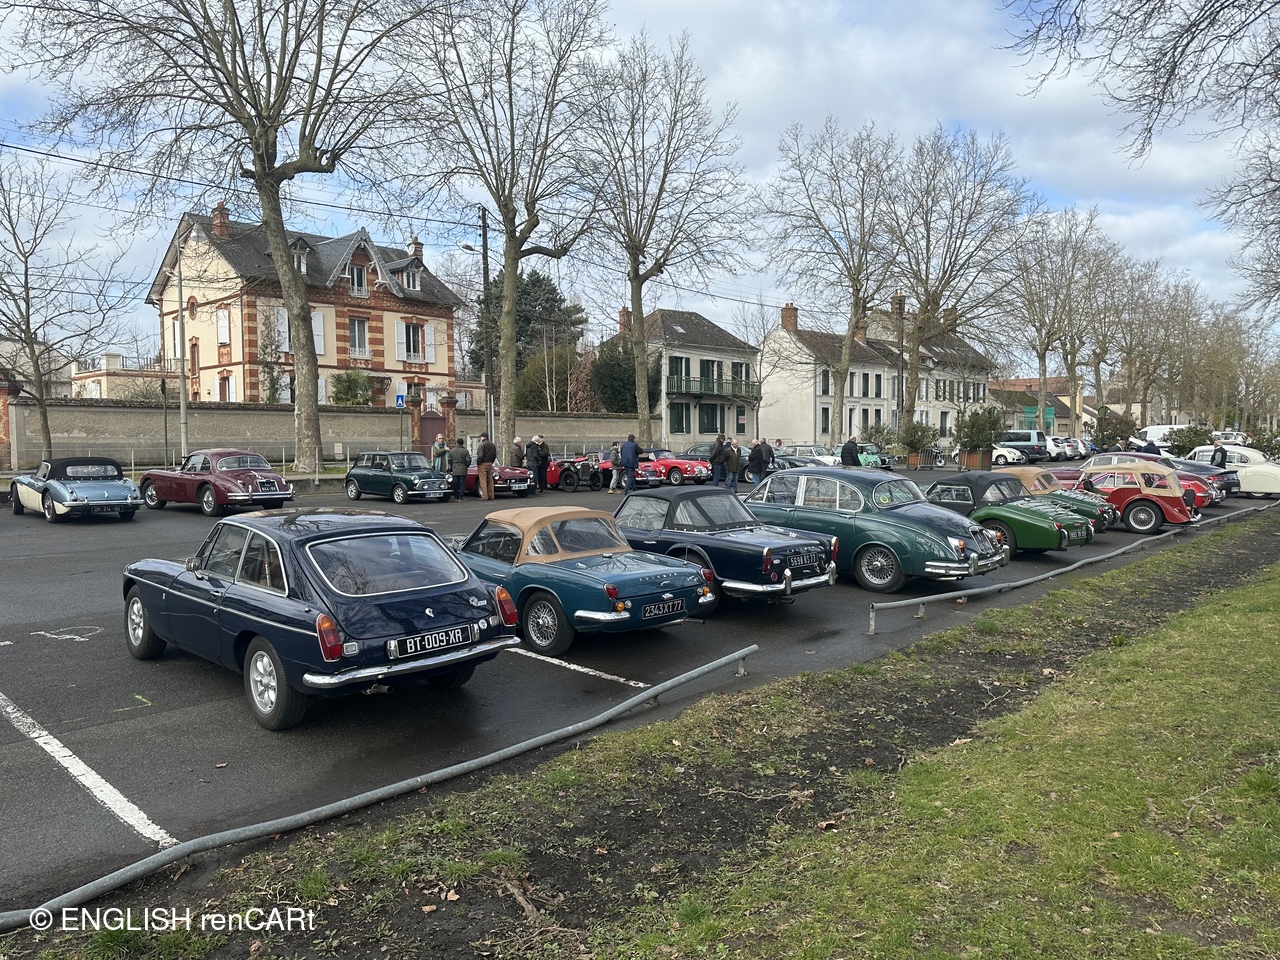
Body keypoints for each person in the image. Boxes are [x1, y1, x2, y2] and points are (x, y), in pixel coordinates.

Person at [475, 431, 497, 500]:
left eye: (481, 437)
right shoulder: (493, 445)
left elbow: (480, 455)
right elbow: (494, 455)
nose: (480, 438)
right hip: (490, 463)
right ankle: (491, 495)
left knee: (483, 480)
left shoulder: (482, 445)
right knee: (490, 480)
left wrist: (478, 462)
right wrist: (491, 462)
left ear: (484, 437)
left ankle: (485, 495)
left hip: (482, 463)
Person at [448, 437, 470, 501]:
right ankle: (461, 497)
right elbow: (468, 461)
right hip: (462, 468)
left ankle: (456, 497)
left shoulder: (452, 451)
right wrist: (466, 466)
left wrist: (452, 466)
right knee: (462, 484)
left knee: (455, 484)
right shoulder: (465, 451)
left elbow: (449, 460)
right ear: (462, 443)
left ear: (457, 443)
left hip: (455, 468)